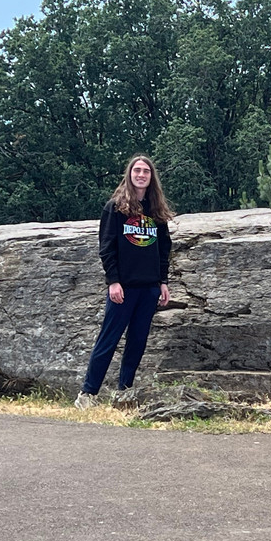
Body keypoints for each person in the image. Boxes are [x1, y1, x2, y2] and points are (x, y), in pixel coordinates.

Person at [75, 155, 173, 409]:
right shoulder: (115, 208)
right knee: (109, 338)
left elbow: (164, 248)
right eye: (137, 170)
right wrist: (113, 281)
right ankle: (87, 394)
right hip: (124, 287)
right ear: (129, 174)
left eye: (146, 171)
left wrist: (162, 281)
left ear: (152, 177)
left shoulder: (156, 211)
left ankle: (124, 393)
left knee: (137, 341)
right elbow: (106, 247)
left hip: (149, 288)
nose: (141, 175)